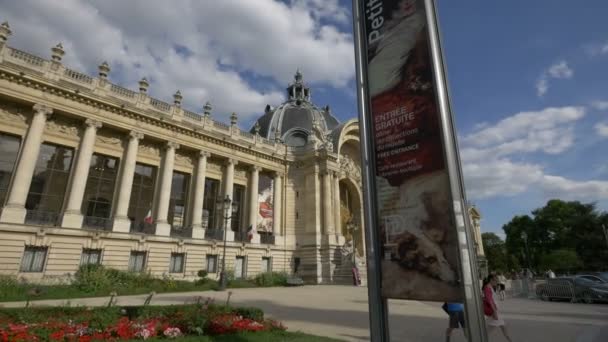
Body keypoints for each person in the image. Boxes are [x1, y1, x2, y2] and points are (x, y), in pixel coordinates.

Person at [483, 274, 513, 341]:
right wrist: (495, 312)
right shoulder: (487, 288)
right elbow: (490, 301)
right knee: (503, 327)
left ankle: (481, 338)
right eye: (496, 281)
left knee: (491, 329)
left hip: (495, 312)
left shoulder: (490, 287)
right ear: (491, 280)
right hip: (494, 312)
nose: (497, 282)